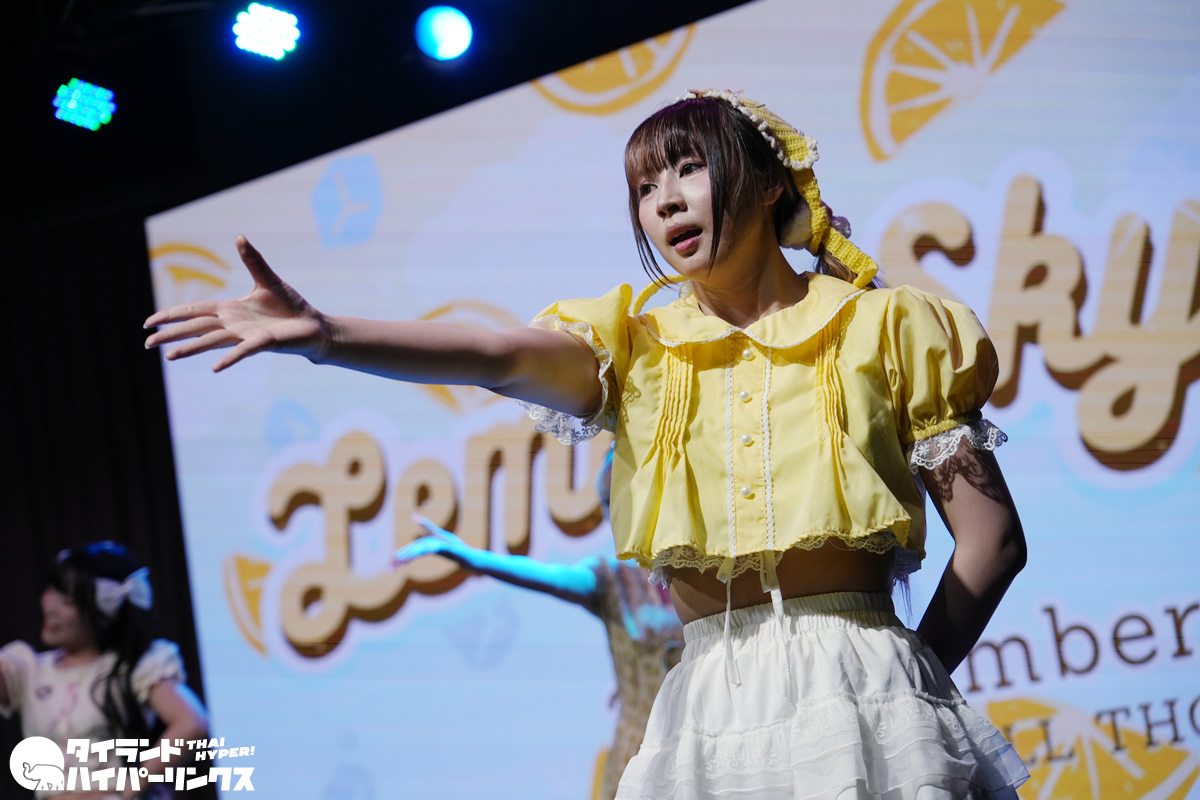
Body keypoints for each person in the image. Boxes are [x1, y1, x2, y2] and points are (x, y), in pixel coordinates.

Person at [144, 89, 1029, 798]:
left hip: (863, 681)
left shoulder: (886, 328)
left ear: (769, 185)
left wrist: (908, 673)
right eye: (645, 187)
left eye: (689, 169)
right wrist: (328, 334)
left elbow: (991, 540)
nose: (664, 199)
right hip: (706, 709)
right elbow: (495, 355)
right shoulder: (636, 349)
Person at [392, 445, 683, 800]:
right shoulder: (612, 581)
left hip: (699, 753)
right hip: (637, 760)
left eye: (625, 495)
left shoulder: (701, 573)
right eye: (608, 502)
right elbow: (546, 577)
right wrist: (471, 558)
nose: (617, 511)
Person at [0, 542, 211, 800]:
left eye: (67, 601)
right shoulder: (28, 668)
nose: (50, 606)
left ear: (102, 614)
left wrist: (133, 786)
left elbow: (191, 723)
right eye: (51, 591)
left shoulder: (131, 667)